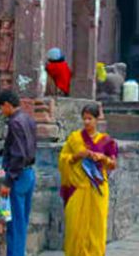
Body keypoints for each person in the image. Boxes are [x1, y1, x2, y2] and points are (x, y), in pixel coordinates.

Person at [0, 90, 37, 256]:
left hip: (17, 177)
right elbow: (20, 148)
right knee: (22, 221)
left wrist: (8, 182)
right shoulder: (28, 119)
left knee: (14, 223)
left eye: (1, 108)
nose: (2, 111)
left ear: (7, 105)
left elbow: (18, 155)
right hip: (29, 174)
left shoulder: (14, 122)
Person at [58, 104, 118, 256]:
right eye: (84, 119)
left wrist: (103, 158)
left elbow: (113, 164)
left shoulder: (106, 141)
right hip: (78, 188)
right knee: (74, 227)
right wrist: (77, 156)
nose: (86, 122)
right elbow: (63, 159)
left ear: (97, 119)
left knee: (96, 227)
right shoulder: (75, 138)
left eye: (90, 119)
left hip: (97, 189)